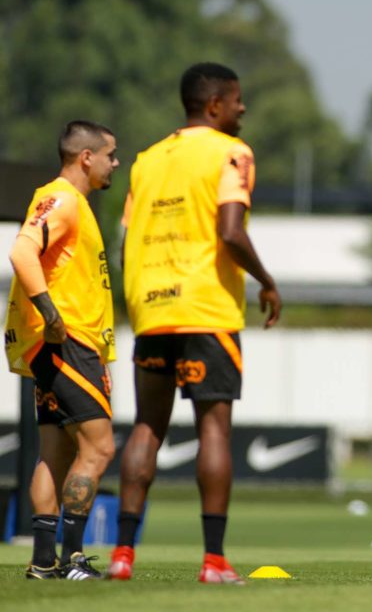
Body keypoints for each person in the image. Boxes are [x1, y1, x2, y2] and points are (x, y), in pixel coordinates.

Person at [106, 62, 281, 584]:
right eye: (236, 100)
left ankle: (121, 557)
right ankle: (213, 561)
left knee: (146, 427)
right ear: (214, 106)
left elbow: (126, 239)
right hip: (206, 310)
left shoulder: (146, 160)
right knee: (214, 428)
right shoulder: (232, 151)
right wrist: (267, 281)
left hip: (152, 309)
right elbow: (230, 231)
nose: (242, 109)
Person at [5, 121, 119, 580]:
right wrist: (52, 316)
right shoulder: (63, 199)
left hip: (61, 347)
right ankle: (72, 558)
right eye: (111, 154)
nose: (115, 163)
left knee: (53, 453)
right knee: (99, 448)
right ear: (86, 157)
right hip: (67, 344)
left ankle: (42, 561)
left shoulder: (79, 206)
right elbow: (21, 252)